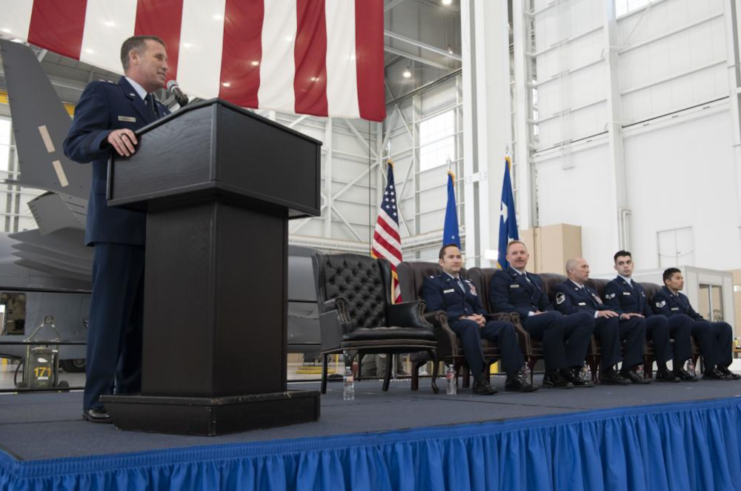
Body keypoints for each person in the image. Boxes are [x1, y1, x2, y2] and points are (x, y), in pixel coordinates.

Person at [64, 36, 170, 423]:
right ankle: (97, 398)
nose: (165, 65)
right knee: (110, 317)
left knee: (142, 323)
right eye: (159, 56)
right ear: (134, 57)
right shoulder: (105, 94)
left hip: (157, 231)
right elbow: (74, 144)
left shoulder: (160, 111)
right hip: (117, 224)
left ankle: (132, 394)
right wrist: (105, 136)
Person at [423, 244, 537, 395]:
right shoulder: (433, 282)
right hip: (451, 325)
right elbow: (435, 309)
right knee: (470, 326)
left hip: (474, 322)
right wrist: (464, 317)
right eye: (451, 257)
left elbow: (479, 307)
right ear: (441, 262)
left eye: (458, 257)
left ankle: (513, 378)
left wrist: (481, 317)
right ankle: (479, 380)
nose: (456, 260)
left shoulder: (468, 283)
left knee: (506, 327)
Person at [489, 241, 595, 389]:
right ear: (507, 258)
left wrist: (551, 313)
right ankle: (552, 373)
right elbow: (501, 305)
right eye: (514, 253)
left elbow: (545, 304)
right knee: (553, 317)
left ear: (528, 256)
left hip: (546, 320)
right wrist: (532, 314)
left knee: (585, 318)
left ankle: (571, 369)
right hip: (522, 322)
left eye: (522, 253)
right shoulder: (501, 277)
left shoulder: (535, 279)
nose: (519, 256)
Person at [553, 258, 647, 385]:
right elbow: (566, 309)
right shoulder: (562, 288)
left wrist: (622, 314)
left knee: (636, 321)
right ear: (572, 271)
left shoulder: (590, 290)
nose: (588, 270)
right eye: (584, 267)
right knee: (609, 320)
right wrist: (596, 313)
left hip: (601, 325)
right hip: (582, 325)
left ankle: (627, 368)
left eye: (588, 267)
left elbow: (604, 308)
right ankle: (607, 370)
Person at [604, 251, 694, 383]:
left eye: (628, 262)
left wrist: (656, 320)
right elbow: (612, 307)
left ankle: (662, 368)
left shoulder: (638, 287)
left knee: (660, 320)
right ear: (615, 267)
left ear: (632, 264)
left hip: (641, 323)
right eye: (621, 263)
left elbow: (647, 310)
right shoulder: (613, 286)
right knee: (648, 320)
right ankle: (628, 369)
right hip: (624, 324)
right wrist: (623, 314)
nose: (625, 266)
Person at [652, 268, 740, 380]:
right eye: (678, 278)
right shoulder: (661, 296)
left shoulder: (683, 297)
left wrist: (704, 321)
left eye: (682, 278)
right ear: (667, 281)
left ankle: (722, 366)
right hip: (676, 327)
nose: (682, 281)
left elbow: (694, 315)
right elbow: (666, 317)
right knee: (704, 326)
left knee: (724, 327)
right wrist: (698, 323)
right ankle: (710, 369)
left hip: (691, 324)